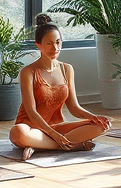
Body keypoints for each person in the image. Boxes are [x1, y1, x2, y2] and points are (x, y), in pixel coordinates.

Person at [9, 14, 112, 161]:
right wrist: (53, 134)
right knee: (17, 132)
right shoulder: (28, 72)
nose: (55, 48)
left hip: (58, 127)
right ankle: (69, 144)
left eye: (58, 42)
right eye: (49, 43)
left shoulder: (67, 69)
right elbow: (31, 112)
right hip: (32, 129)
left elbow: (74, 107)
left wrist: (94, 117)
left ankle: (40, 146)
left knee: (102, 125)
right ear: (38, 45)